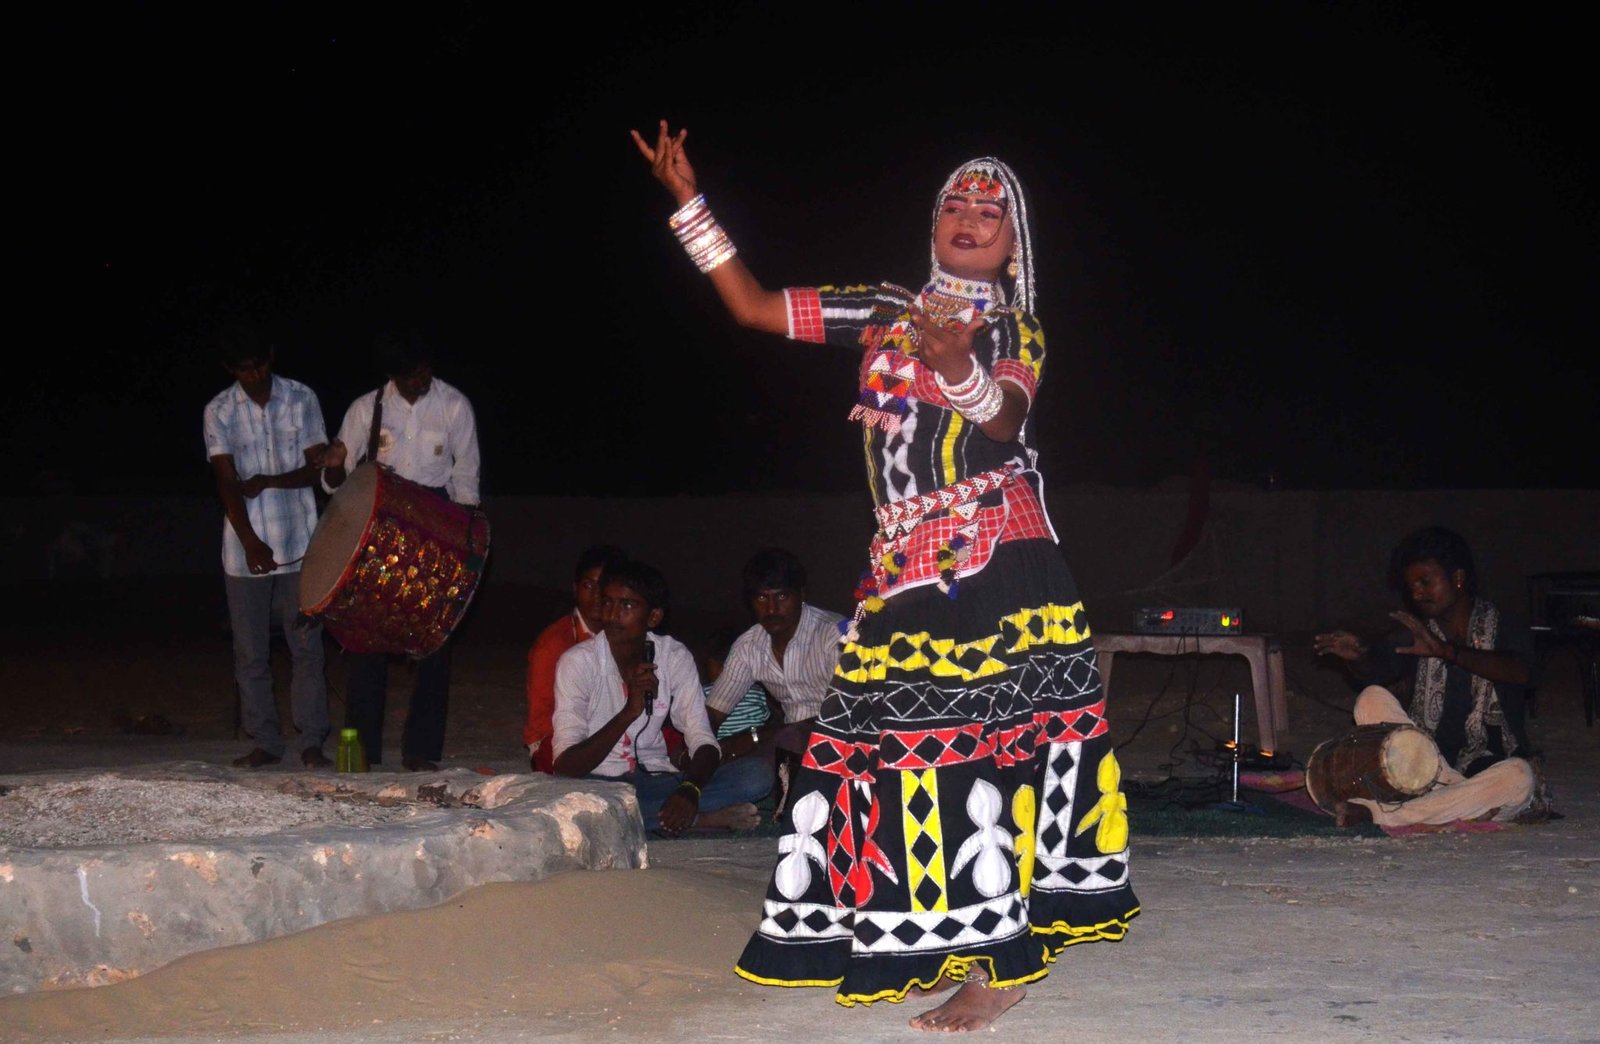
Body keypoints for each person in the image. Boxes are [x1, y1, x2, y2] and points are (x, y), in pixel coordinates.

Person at [632, 123, 1138, 1032]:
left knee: (977, 762)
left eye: (992, 210)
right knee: (893, 759)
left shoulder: (1016, 326)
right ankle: (934, 936)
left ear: (1014, 243)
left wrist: (958, 366)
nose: (972, 217)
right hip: (901, 566)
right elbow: (750, 307)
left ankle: (999, 967)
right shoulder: (882, 308)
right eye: (957, 203)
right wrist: (688, 204)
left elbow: (1003, 424)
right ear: (933, 221)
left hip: (996, 556)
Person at [320, 329, 481, 771]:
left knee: (434, 644)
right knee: (367, 641)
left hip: (435, 533)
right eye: (410, 375)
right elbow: (337, 486)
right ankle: (365, 752)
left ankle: (422, 752)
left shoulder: (454, 406)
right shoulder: (365, 410)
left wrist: (461, 549)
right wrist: (333, 468)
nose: (420, 380)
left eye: (426, 371)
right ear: (392, 375)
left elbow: (466, 479)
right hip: (376, 537)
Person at [1312, 525, 1549, 827]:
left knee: (1518, 778)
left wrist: (1448, 652)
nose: (1417, 593)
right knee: (1370, 698)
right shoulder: (1417, 633)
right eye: (1412, 587)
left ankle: (1384, 814)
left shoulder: (1504, 624)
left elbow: (1523, 673)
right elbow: (1379, 669)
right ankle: (1452, 799)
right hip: (1424, 765)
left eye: (1425, 582)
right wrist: (1361, 656)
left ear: (1458, 579)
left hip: (1489, 765)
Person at [551, 559, 771, 834]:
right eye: (608, 603)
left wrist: (689, 790)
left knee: (756, 776)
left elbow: (701, 737)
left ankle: (655, 816)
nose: (612, 615)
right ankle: (699, 820)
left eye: (627, 605)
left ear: (653, 617)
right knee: (577, 803)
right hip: (597, 783)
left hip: (657, 779)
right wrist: (627, 714)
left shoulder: (674, 657)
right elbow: (565, 768)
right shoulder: (578, 663)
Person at [201, 323, 333, 769]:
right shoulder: (218, 410)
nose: (253, 375)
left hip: (300, 542)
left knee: (306, 648)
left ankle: (312, 738)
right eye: (243, 369)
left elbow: (318, 469)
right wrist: (251, 542)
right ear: (230, 369)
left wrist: (272, 480)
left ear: (270, 358)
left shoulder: (302, 397)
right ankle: (265, 740)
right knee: (251, 652)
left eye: (258, 366)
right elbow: (225, 481)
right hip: (245, 551)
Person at [704, 548, 843, 775]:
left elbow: (846, 713)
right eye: (761, 598)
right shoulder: (750, 645)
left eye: (781, 596)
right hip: (786, 746)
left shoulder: (833, 635)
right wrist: (701, 746)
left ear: (802, 594)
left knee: (780, 748)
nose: (771, 609)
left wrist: (758, 736)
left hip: (840, 741)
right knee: (727, 764)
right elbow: (713, 712)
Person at [525, 544, 628, 773]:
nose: (596, 595)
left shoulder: (626, 635)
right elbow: (541, 723)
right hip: (561, 738)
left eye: (604, 586)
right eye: (588, 585)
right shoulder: (554, 643)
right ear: (575, 588)